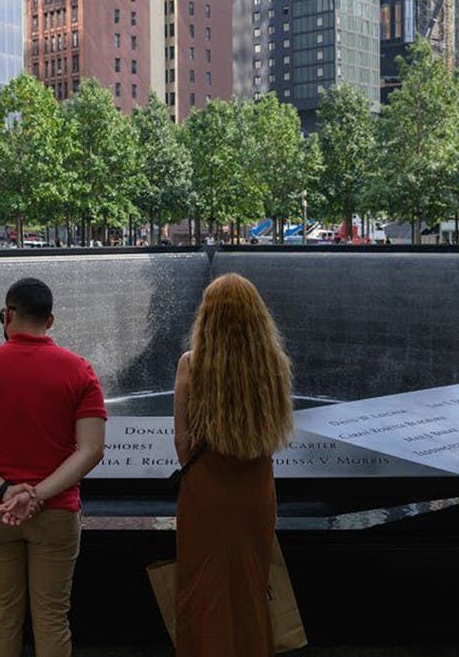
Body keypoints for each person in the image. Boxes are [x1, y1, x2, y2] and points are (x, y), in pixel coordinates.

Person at [0, 277, 107, 657]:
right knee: (52, 618)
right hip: (56, 511)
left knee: (0, 616)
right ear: (50, 321)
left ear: (8, 314)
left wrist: (5, 491)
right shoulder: (79, 370)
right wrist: (37, 494)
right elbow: (92, 449)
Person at [172, 272, 294, 657]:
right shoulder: (273, 364)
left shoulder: (191, 365)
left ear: (206, 316)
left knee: (202, 586)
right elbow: (276, 429)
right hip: (255, 488)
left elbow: (181, 441)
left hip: (207, 489)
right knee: (251, 583)